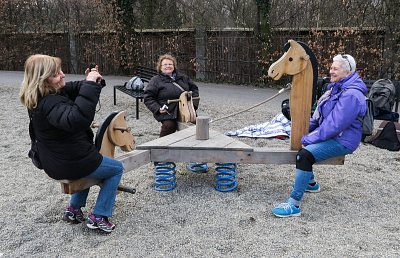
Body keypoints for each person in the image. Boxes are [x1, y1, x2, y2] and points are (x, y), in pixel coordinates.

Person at [19, 54, 123, 232]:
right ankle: (99, 216)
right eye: (56, 74)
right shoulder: (50, 103)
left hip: (58, 161)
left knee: (88, 168)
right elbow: (77, 119)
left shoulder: (44, 95)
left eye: (60, 70)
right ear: (43, 80)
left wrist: (92, 80)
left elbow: (74, 88)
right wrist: (89, 85)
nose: (62, 75)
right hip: (70, 162)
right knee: (115, 168)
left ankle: (73, 210)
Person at [272, 54, 368, 217]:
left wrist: (308, 138)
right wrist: (298, 127)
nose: (331, 71)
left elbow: (335, 125)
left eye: (335, 68)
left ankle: (294, 205)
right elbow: (320, 118)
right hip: (336, 134)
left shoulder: (351, 94)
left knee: (304, 155)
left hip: (343, 140)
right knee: (301, 144)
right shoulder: (335, 88)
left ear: (348, 72)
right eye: (331, 67)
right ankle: (311, 183)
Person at [144, 54, 200, 137]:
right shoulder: (155, 81)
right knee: (169, 126)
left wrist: (193, 106)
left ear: (174, 66)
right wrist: (157, 109)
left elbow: (194, 89)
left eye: (170, 64)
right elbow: (148, 97)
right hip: (168, 112)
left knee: (197, 124)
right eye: (165, 64)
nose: (168, 66)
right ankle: (161, 147)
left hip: (186, 110)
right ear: (160, 67)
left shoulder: (183, 77)